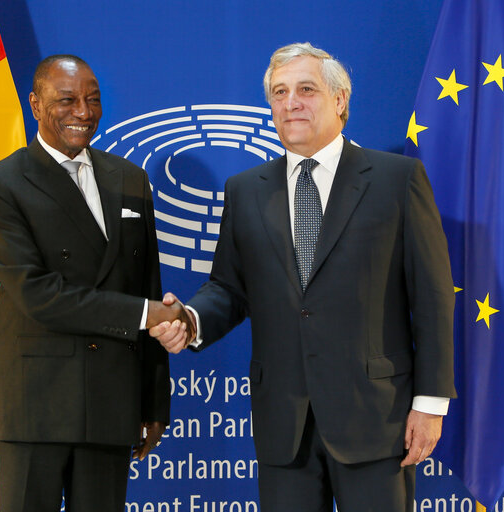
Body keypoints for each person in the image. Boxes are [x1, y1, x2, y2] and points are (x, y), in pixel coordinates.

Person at [151, 43, 456, 512]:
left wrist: (431, 403)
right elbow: (230, 288)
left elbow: (433, 298)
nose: (291, 102)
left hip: (376, 418)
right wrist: (190, 320)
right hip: (283, 423)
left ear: (340, 100)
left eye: (306, 89)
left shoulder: (398, 180)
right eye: (279, 92)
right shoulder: (246, 191)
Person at [0, 55, 188, 512]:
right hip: (36, 406)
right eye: (66, 100)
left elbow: (147, 282)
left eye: (92, 100)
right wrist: (145, 314)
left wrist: (153, 402)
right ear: (35, 104)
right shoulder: (1, 183)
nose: (83, 112)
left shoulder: (130, 178)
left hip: (111, 400)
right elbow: (38, 294)